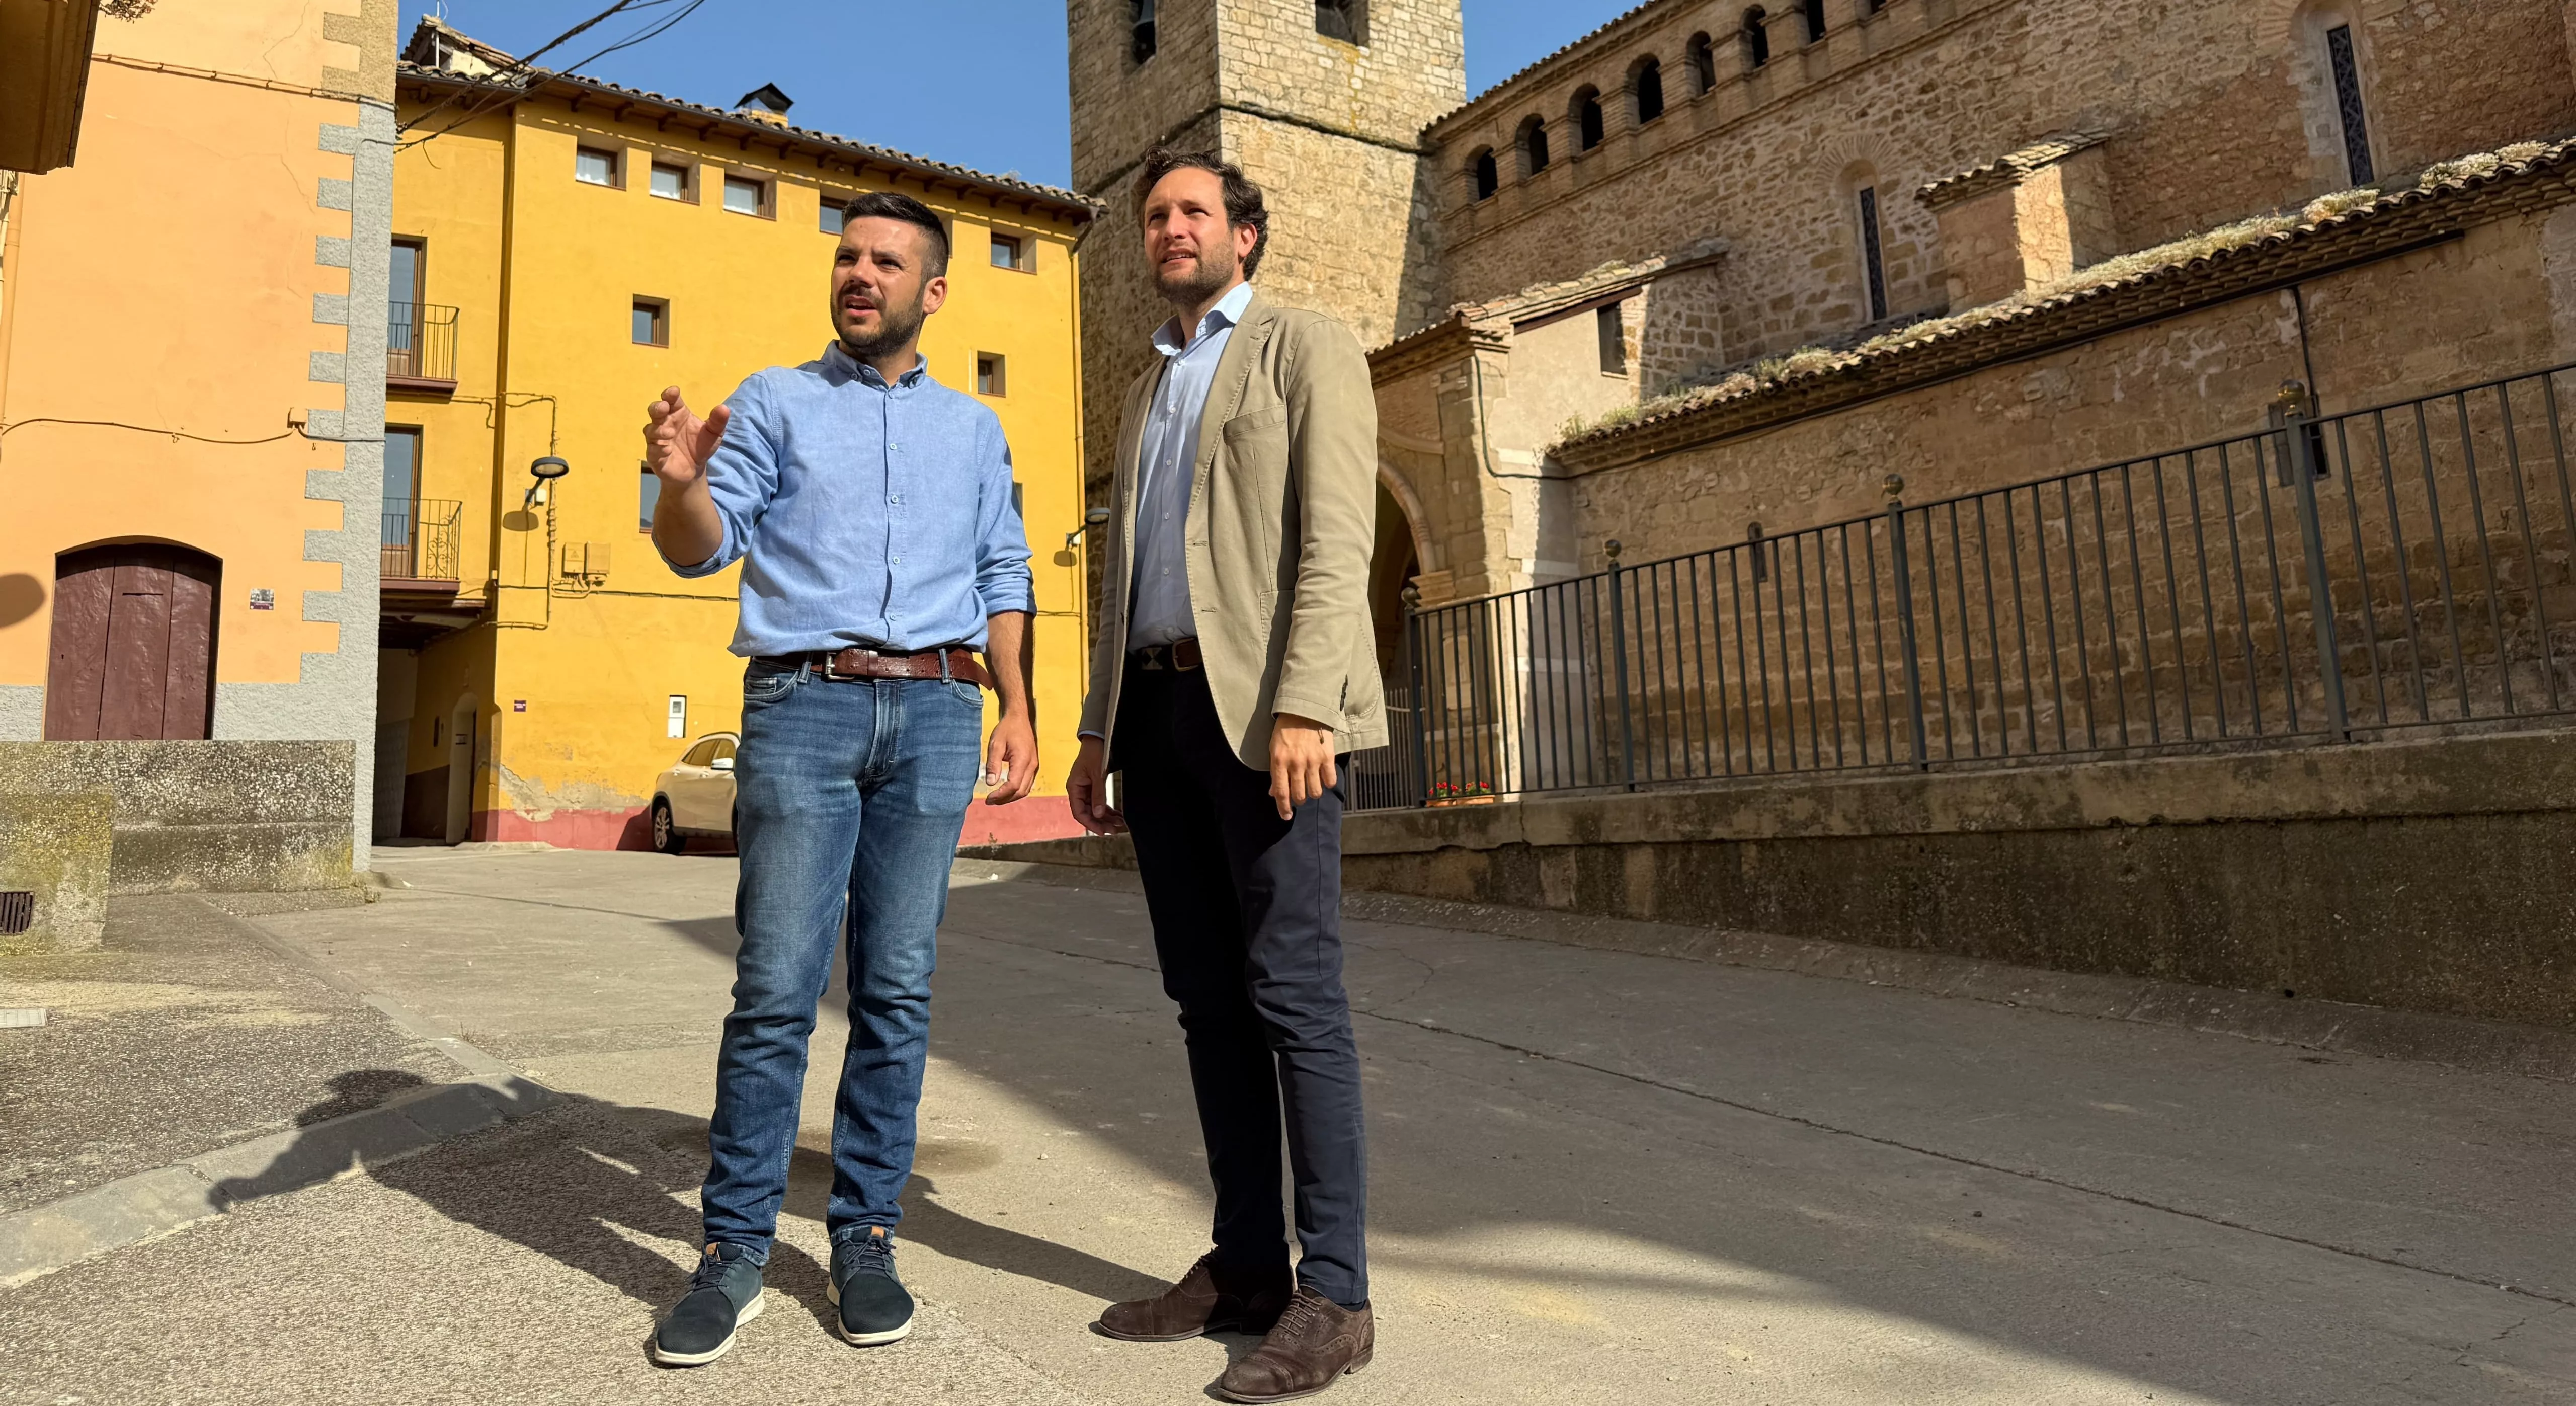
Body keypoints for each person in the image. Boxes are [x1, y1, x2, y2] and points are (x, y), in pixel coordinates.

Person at [641, 189, 1037, 1367]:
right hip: (800, 705)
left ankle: (865, 1232)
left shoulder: (971, 430)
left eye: (885, 260)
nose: (859, 274)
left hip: (933, 708)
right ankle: (734, 1249)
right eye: (848, 257)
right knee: (773, 989)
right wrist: (675, 478)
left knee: (898, 990)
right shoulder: (772, 401)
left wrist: (1016, 704)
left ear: (934, 289)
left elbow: (1004, 567)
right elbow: (701, 544)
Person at [1064, 148, 1385, 1403]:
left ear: (1244, 236)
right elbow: (1126, 568)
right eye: (1154, 216)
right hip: (1154, 710)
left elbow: (1336, 532)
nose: (1169, 229)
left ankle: (1339, 1289)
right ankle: (1248, 1262)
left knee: (1294, 992)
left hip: (1263, 712)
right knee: (1207, 1000)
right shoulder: (1149, 385)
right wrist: (1099, 730)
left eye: (1194, 211)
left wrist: (1309, 695)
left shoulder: (1304, 345)